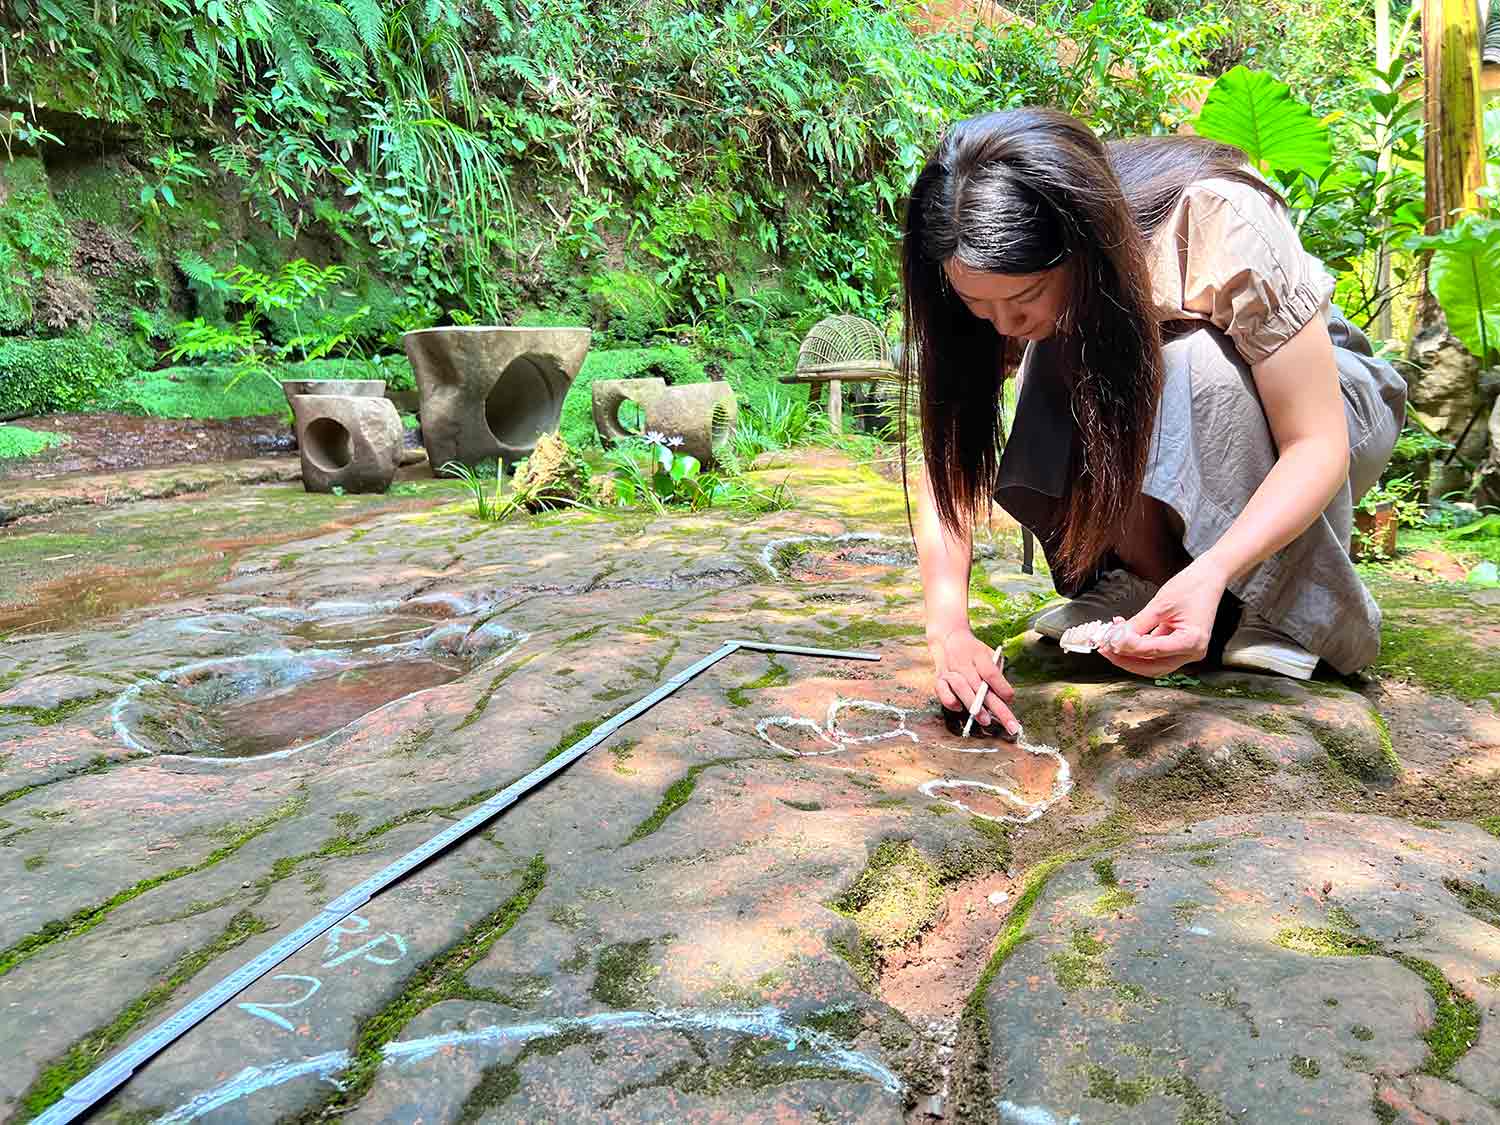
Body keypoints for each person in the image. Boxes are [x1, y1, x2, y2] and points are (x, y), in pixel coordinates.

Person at [901, 108, 1407, 736]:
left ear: (1085, 247)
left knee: (1189, 358)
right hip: (1180, 410)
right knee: (1057, 355)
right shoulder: (982, 274)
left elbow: (1316, 440)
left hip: (1327, 408)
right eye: (979, 305)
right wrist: (948, 628)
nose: (1003, 325)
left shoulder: (1216, 218)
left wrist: (1215, 570)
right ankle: (1147, 577)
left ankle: (1276, 606)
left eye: (1024, 299)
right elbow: (945, 458)